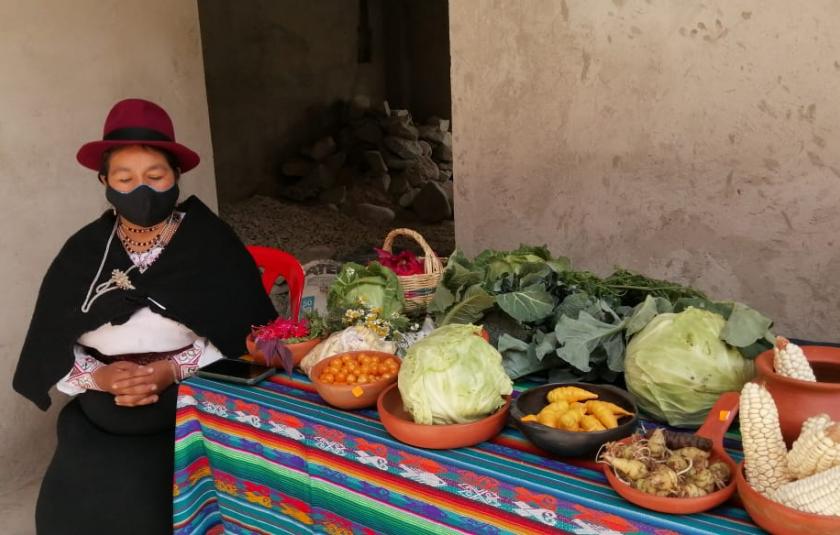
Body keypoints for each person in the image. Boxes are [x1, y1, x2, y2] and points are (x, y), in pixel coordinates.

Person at [13, 98, 276, 534]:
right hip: (100, 406)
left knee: (153, 505)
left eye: (155, 177)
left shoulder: (210, 244)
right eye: (125, 178)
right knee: (72, 509)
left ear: (176, 177)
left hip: (191, 404)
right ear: (104, 181)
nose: (141, 190)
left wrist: (172, 369)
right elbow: (53, 339)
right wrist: (102, 378)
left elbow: (247, 333)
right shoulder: (84, 252)